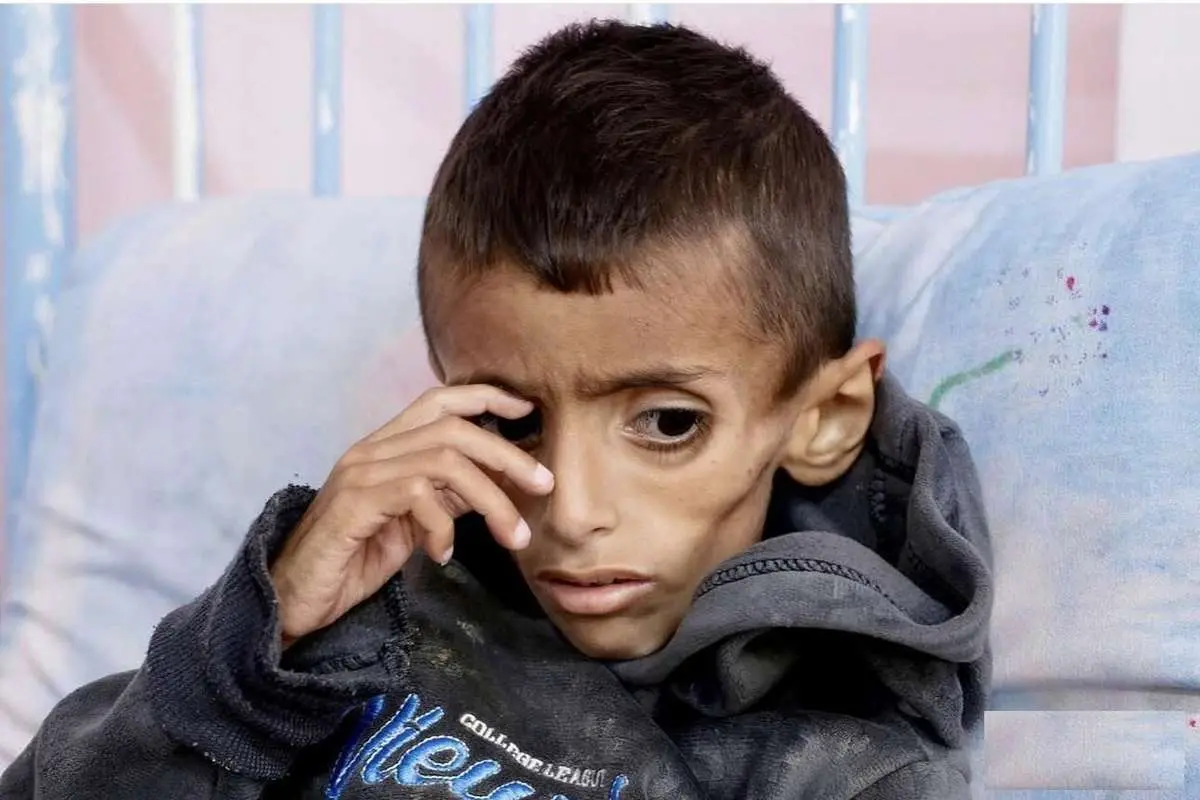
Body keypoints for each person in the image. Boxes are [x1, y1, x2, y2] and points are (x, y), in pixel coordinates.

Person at [0, 19, 992, 800]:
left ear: (825, 416)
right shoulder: (351, 624)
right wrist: (252, 658)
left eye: (668, 423)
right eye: (513, 420)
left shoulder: (847, 763)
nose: (570, 510)